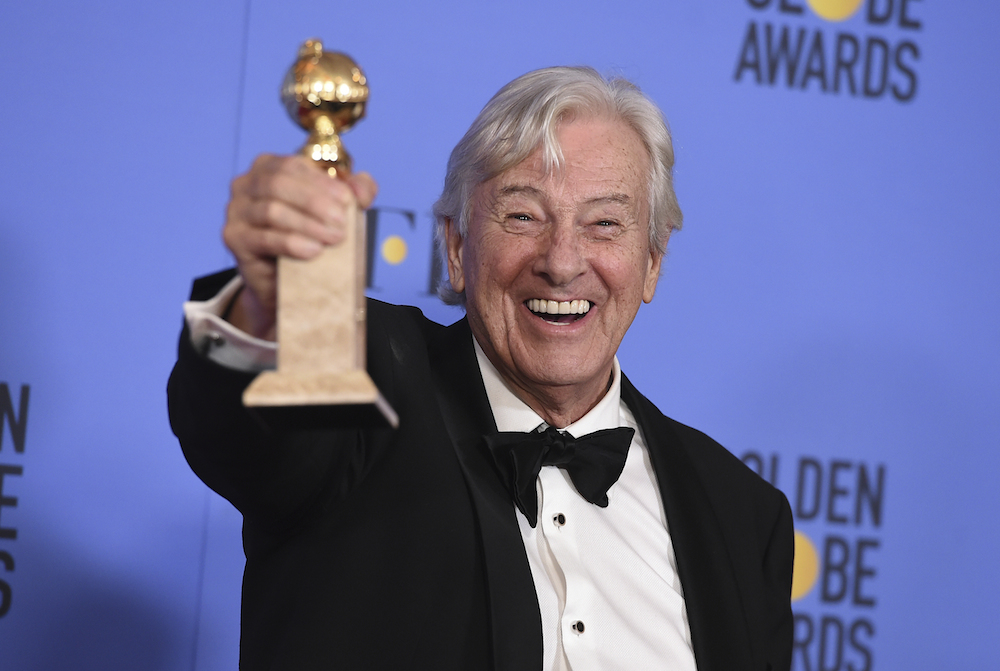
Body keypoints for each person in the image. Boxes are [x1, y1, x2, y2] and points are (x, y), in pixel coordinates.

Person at [169, 66, 793, 671]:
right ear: (457, 246)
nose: (563, 262)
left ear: (652, 263)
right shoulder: (366, 384)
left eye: (605, 223)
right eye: (524, 216)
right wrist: (269, 302)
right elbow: (243, 416)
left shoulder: (743, 516)